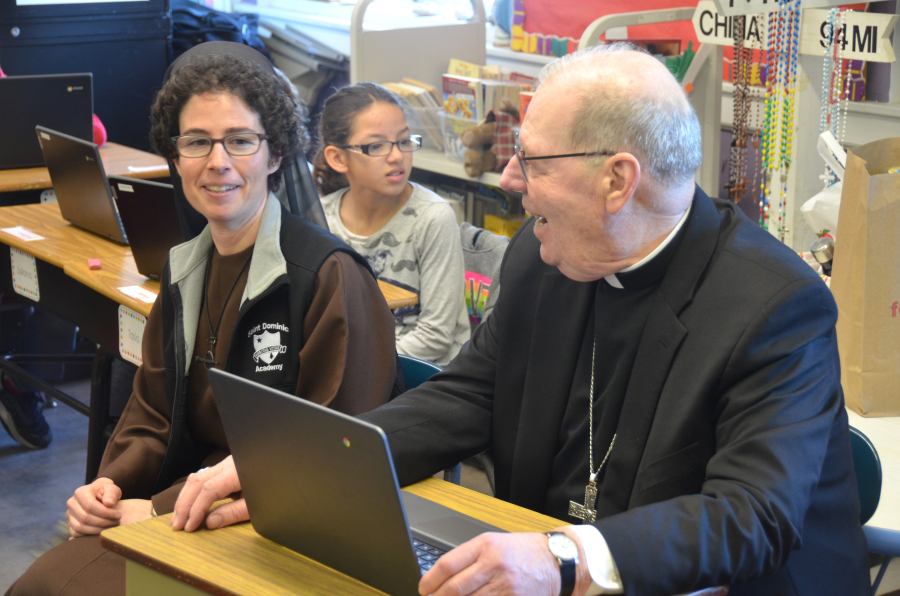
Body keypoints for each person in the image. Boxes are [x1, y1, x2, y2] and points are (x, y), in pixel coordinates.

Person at [168, 43, 870, 596]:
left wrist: (564, 560)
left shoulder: (775, 302)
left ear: (618, 180)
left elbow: (752, 515)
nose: (508, 179)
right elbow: (471, 393)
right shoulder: (543, 262)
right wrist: (299, 465)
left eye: (531, 161)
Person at [5, 44, 400, 596]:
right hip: (187, 512)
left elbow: (330, 459)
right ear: (176, 154)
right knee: (41, 585)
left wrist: (159, 510)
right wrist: (110, 491)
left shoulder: (330, 278)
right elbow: (150, 412)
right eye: (196, 142)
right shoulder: (184, 266)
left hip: (278, 534)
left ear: (277, 152)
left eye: (240, 141)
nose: (218, 162)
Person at [313, 83, 470, 366]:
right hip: (351, 369)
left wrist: (353, 365)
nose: (397, 156)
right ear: (338, 158)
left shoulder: (432, 217)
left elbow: (436, 336)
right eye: (377, 146)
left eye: (404, 141)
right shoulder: (319, 218)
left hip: (420, 375)